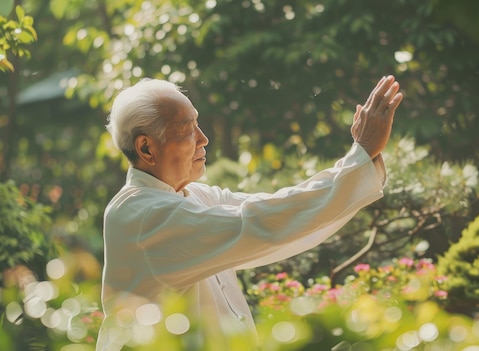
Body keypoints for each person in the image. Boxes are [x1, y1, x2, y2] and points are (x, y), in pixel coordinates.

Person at [96, 76, 403, 350]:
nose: (204, 139)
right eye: (187, 130)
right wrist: (359, 156)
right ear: (146, 148)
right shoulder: (142, 215)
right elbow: (259, 224)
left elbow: (275, 207)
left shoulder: (193, 196)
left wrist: (362, 158)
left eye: (198, 125)